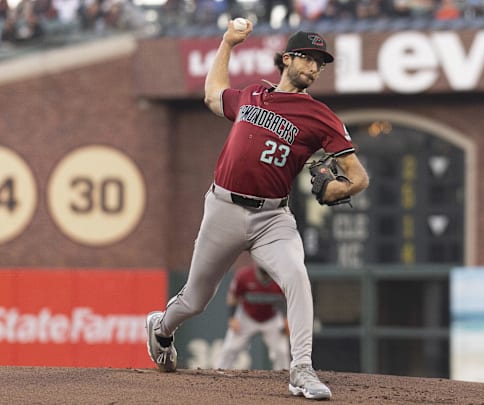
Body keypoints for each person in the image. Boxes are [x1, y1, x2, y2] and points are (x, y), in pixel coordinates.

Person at [145, 23, 370, 401]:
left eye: (320, 63)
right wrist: (227, 43)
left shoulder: (320, 116)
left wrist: (342, 187)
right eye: (308, 58)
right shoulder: (252, 94)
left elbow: (359, 177)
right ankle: (162, 328)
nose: (314, 67)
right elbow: (213, 95)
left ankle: (301, 368)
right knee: (195, 300)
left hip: (272, 219)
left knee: (297, 276)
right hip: (222, 207)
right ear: (287, 59)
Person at [216, 264, 290, 371]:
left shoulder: (282, 278)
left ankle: (283, 379)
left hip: (272, 318)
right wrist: (232, 317)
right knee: (230, 348)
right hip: (247, 317)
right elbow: (233, 296)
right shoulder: (244, 275)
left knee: (281, 351)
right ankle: (219, 374)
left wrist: (287, 319)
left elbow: (290, 300)